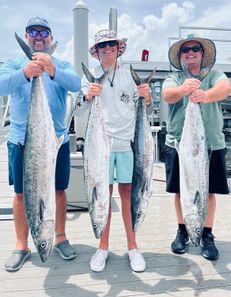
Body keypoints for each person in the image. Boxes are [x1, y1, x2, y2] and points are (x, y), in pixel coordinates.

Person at [0, 17, 81, 271]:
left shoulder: (60, 63)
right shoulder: (14, 63)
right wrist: (26, 72)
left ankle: (60, 238)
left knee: (58, 190)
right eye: (33, 32)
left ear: (50, 37)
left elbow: (76, 84)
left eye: (43, 32)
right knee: (21, 194)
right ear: (26, 37)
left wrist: (51, 69)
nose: (38, 36)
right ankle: (22, 245)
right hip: (22, 141)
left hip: (55, 142)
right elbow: (1, 85)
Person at [80, 29, 153, 272]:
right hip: (99, 147)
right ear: (97, 52)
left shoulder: (128, 76)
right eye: (103, 46)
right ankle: (103, 247)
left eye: (112, 44)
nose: (108, 49)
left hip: (127, 144)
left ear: (118, 48)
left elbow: (145, 109)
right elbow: (79, 111)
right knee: (103, 195)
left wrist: (148, 98)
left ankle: (133, 247)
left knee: (128, 193)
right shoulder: (90, 79)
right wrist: (89, 97)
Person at [162, 33, 230, 260]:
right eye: (185, 50)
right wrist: (184, 90)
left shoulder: (215, 75)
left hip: (211, 144)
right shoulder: (174, 77)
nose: (190, 52)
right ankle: (182, 231)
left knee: (209, 191)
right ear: (180, 56)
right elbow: (167, 95)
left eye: (195, 49)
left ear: (202, 54)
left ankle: (207, 235)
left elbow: (225, 88)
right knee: (180, 191)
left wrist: (204, 95)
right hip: (178, 144)